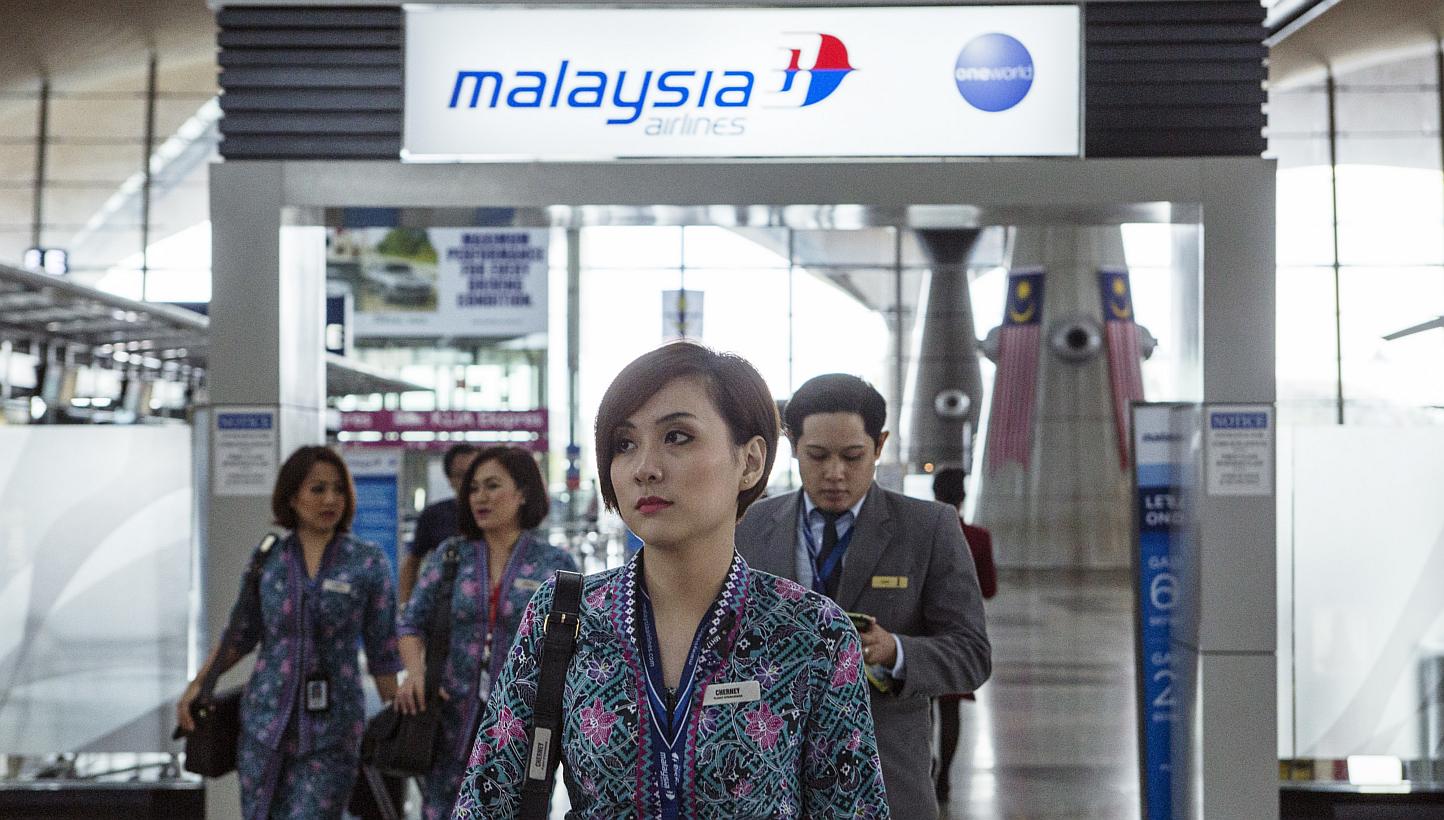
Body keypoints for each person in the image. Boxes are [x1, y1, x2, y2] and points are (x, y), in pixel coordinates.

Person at [453, 342, 889, 818]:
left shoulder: (811, 633)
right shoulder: (566, 616)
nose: (645, 469)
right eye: (624, 444)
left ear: (750, 461)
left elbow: (852, 809)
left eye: (677, 436)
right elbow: (487, 800)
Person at [735, 373, 991, 819]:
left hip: (887, 781)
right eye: (817, 456)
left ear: (879, 444)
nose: (835, 473)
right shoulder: (750, 527)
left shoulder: (928, 529)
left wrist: (895, 652)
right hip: (766, 782)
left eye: (853, 456)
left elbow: (971, 655)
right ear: (793, 445)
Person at [176, 445, 402, 820]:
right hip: (265, 726)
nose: (331, 499)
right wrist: (199, 685)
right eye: (317, 489)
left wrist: (398, 716)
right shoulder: (269, 559)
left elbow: (384, 650)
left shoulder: (367, 561)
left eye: (339, 490)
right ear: (292, 497)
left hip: (335, 730)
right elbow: (239, 635)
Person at [394, 446, 578, 820]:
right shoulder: (450, 557)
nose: (480, 496)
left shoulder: (555, 564)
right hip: (448, 721)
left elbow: (576, 646)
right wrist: (415, 672)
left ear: (523, 493)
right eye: (474, 488)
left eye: (492, 486)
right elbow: (411, 623)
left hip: (527, 723)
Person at [928, 466, 997, 803]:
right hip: (958, 632)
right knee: (951, 709)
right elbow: (990, 589)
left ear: (934, 493)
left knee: (920, 702)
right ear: (963, 496)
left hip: (922, 631)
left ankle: (928, 765)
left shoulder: (922, 532)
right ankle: (945, 779)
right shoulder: (979, 537)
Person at [401, 444, 481, 604]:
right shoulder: (435, 515)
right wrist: (406, 606)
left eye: (475, 473)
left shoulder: (500, 516)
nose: (469, 481)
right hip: (445, 607)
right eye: (461, 475)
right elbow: (412, 562)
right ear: (450, 479)